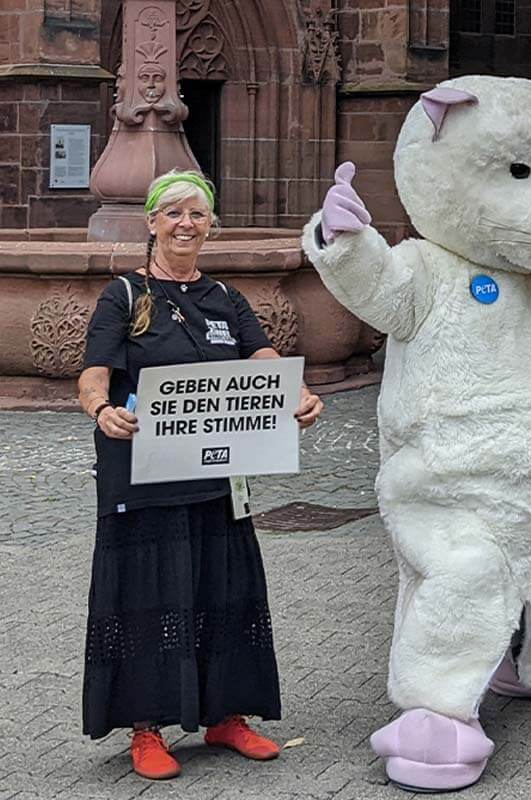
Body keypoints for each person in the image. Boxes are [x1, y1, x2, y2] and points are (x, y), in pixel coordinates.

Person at [78, 170, 325, 780]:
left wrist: (296, 392)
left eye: (198, 214)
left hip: (217, 474)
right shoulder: (124, 296)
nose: (187, 224)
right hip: (143, 475)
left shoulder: (225, 299)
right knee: (147, 593)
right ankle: (146, 728)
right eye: (175, 213)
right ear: (154, 222)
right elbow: (93, 372)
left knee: (224, 586)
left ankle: (226, 715)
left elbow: (262, 358)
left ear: (210, 225)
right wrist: (102, 410)